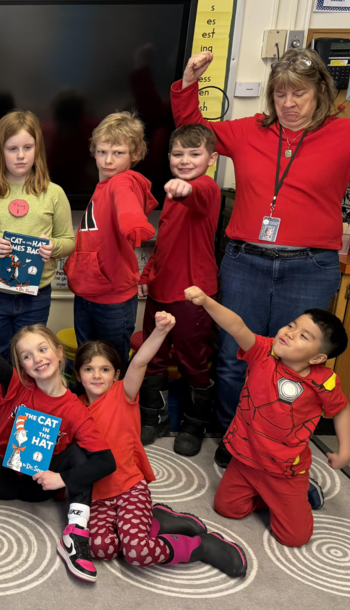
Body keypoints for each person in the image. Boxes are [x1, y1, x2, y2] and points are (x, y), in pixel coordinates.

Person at [174, 48, 350, 467]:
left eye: (299, 94)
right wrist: (188, 84)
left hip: (309, 268)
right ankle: (233, 438)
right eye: (280, 95)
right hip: (245, 262)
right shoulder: (250, 130)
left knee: (291, 364)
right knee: (234, 356)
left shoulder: (348, 134)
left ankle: (275, 443)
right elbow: (193, 133)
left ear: (321, 93)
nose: (288, 104)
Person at [76, 314, 247, 577]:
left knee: (137, 552)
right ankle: (156, 521)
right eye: (88, 369)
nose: (97, 375)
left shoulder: (123, 393)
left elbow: (141, 361)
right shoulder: (73, 407)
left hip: (129, 487)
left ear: (116, 374)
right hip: (97, 496)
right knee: (100, 547)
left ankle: (200, 546)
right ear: (78, 375)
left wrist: (159, 331)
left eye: (105, 369)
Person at [185, 286, 350, 547]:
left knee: (295, 538)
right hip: (245, 457)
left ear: (319, 357)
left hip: (285, 469)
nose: (289, 333)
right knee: (228, 509)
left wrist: (345, 451)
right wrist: (207, 301)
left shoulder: (325, 381)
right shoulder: (263, 351)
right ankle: (270, 495)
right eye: (291, 325)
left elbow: (341, 409)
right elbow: (237, 326)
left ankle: (304, 491)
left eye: (303, 336)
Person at [0, 299, 116, 582]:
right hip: (3, 478)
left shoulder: (75, 409)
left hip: (41, 484)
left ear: (58, 353)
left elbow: (106, 460)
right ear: (21, 366)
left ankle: (76, 534)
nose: (37, 358)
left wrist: (63, 479)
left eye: (42, 349)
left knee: (81, 454)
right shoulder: (18, 386)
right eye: (27, 356)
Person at [0, 110, 76, 437]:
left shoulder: (53, 194)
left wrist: (51, 247)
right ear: (0, 151)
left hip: (36, 297)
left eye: (27, 148)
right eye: (12, 148)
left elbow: (69, 241)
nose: (20, 155)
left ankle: (25, 424)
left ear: (37, 150)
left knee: (32, 362)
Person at [137, 124, 222, 455]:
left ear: (211, 159)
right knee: (153, 355)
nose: (185, 160)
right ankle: (154, 417)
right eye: (178, 154)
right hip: (160, 291)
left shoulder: (206, 187)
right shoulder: (172, 194)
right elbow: (165, 244)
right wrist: (148, 276)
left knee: (194, 361)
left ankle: (194, 423)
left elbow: (199, 197)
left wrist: (186, 189)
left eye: (194, 154)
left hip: (192, 295)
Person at [64, 112, 156, 375]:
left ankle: (114, 415)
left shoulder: (123, 181)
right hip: (86, 294)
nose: (107, 160)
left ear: (134, 154)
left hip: (112, 300)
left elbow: (127, 206)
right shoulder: (102, 186)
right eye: (102, 151)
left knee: (111, 369)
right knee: (88, 366)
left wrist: (135, 225)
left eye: (118, 152)